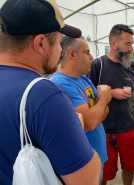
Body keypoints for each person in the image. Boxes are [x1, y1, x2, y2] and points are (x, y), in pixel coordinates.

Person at [0, 0, 101, 185]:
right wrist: (76, 130)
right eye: (60, 43)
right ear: (40, 43)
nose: (61, 50)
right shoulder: (46, 95)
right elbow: (87, 180)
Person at [88, 24, 134, 185]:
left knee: (130, 166)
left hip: (129, 127)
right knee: (104, 172)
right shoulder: (97, 66)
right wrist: (111, 93)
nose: (131, 48)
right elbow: (87, 96)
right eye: (128, 43)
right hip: (104, 131)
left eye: (132, 43)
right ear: (114, 44)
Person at [51, 36, 112, 185]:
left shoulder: (84, 80)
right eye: (87, 52)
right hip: (82, 163)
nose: (91, 57)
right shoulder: (60, 83)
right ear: (72, 54)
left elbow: (105, 113)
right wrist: (103, 100)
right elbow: (90, 122)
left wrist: (98, 109)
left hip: (96, 155)